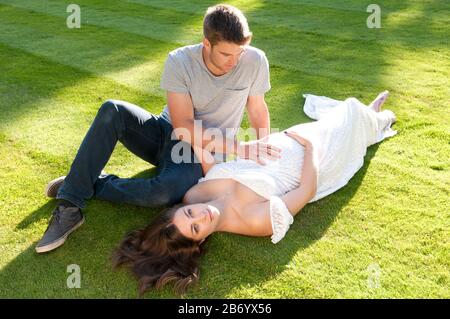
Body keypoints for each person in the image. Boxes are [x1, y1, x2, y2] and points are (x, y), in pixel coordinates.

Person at [36, 4, 279, 253]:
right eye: (227, 54)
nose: (235, 61)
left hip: (199, 152)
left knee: (163, 193)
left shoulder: (254, 60)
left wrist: (264, 150)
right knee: (113, 110)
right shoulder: (180, 60)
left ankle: (82, 181)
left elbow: (258, 109)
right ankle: (70, 206)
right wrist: (242, 148)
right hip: (167, 131)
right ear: (207, 44)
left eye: (240, 52)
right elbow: (183, 127)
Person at [112, 91, 397, 295]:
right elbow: (306, 190)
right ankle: (379, 119)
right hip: (317, 159)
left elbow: (210, 165)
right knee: (353, 113)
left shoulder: (194, 196)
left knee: (341, 116)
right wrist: (309, 148)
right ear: (198, 243)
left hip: (280, 142)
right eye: (196, 227)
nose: (200, 214)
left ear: (180, 208)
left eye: (188, 214)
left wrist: (189, 130)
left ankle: (366, 118)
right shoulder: (255, 222)